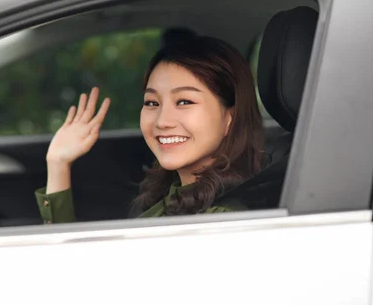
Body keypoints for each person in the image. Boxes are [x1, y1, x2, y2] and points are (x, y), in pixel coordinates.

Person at [35, 36, 264, 223]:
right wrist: (58, 164)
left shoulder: (222, 219)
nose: (162, 121)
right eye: (152, 103)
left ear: (230, 118)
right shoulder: (169, 196)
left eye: (184, 102)